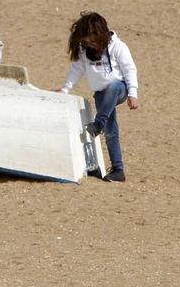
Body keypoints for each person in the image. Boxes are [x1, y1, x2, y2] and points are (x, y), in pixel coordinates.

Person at [60, 12, 139, 183]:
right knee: (111, 131)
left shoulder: (118, 47)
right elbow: (77, 70)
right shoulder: (84, 51)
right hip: (101, 95)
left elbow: (129, 69)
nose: (89, 43)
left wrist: (133, 93)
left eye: (91, 39)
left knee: (112, 88)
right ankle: (118, 170)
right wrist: (65, 89)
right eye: (86, 40)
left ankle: (98, 124)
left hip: (119, 89)